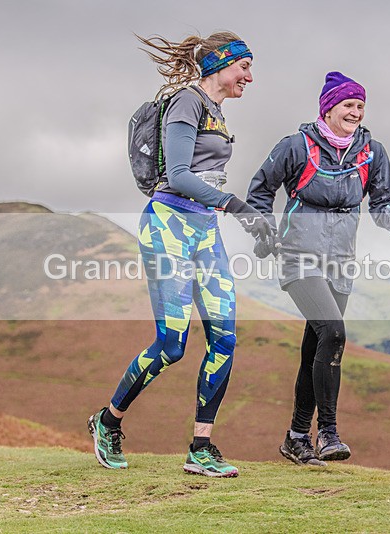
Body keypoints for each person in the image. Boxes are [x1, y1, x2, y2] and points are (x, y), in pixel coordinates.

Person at [88, 31, 273, 478]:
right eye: (244, 66)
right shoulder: (187, 102)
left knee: (224, 340)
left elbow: (207, 182)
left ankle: (201, 448)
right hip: (169, 225)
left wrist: (251, 223)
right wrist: (239, 208)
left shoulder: (218, 112)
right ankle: (108, 422)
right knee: (172, 344)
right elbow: (178, 175)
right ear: (221, 65)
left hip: (205, 230)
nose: (250, 75)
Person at [246, 71, 390, 466]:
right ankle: (329, 433)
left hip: (341, 259)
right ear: (328, 108)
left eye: (360, 106)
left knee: (316, 346)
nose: (355, 112)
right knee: (334, 331)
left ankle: (295, 438)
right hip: (299, 253)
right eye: (348, 105)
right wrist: (262, 227)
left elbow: (384, 198)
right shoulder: (296, 146)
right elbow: (259, 190)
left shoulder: (371, 151)